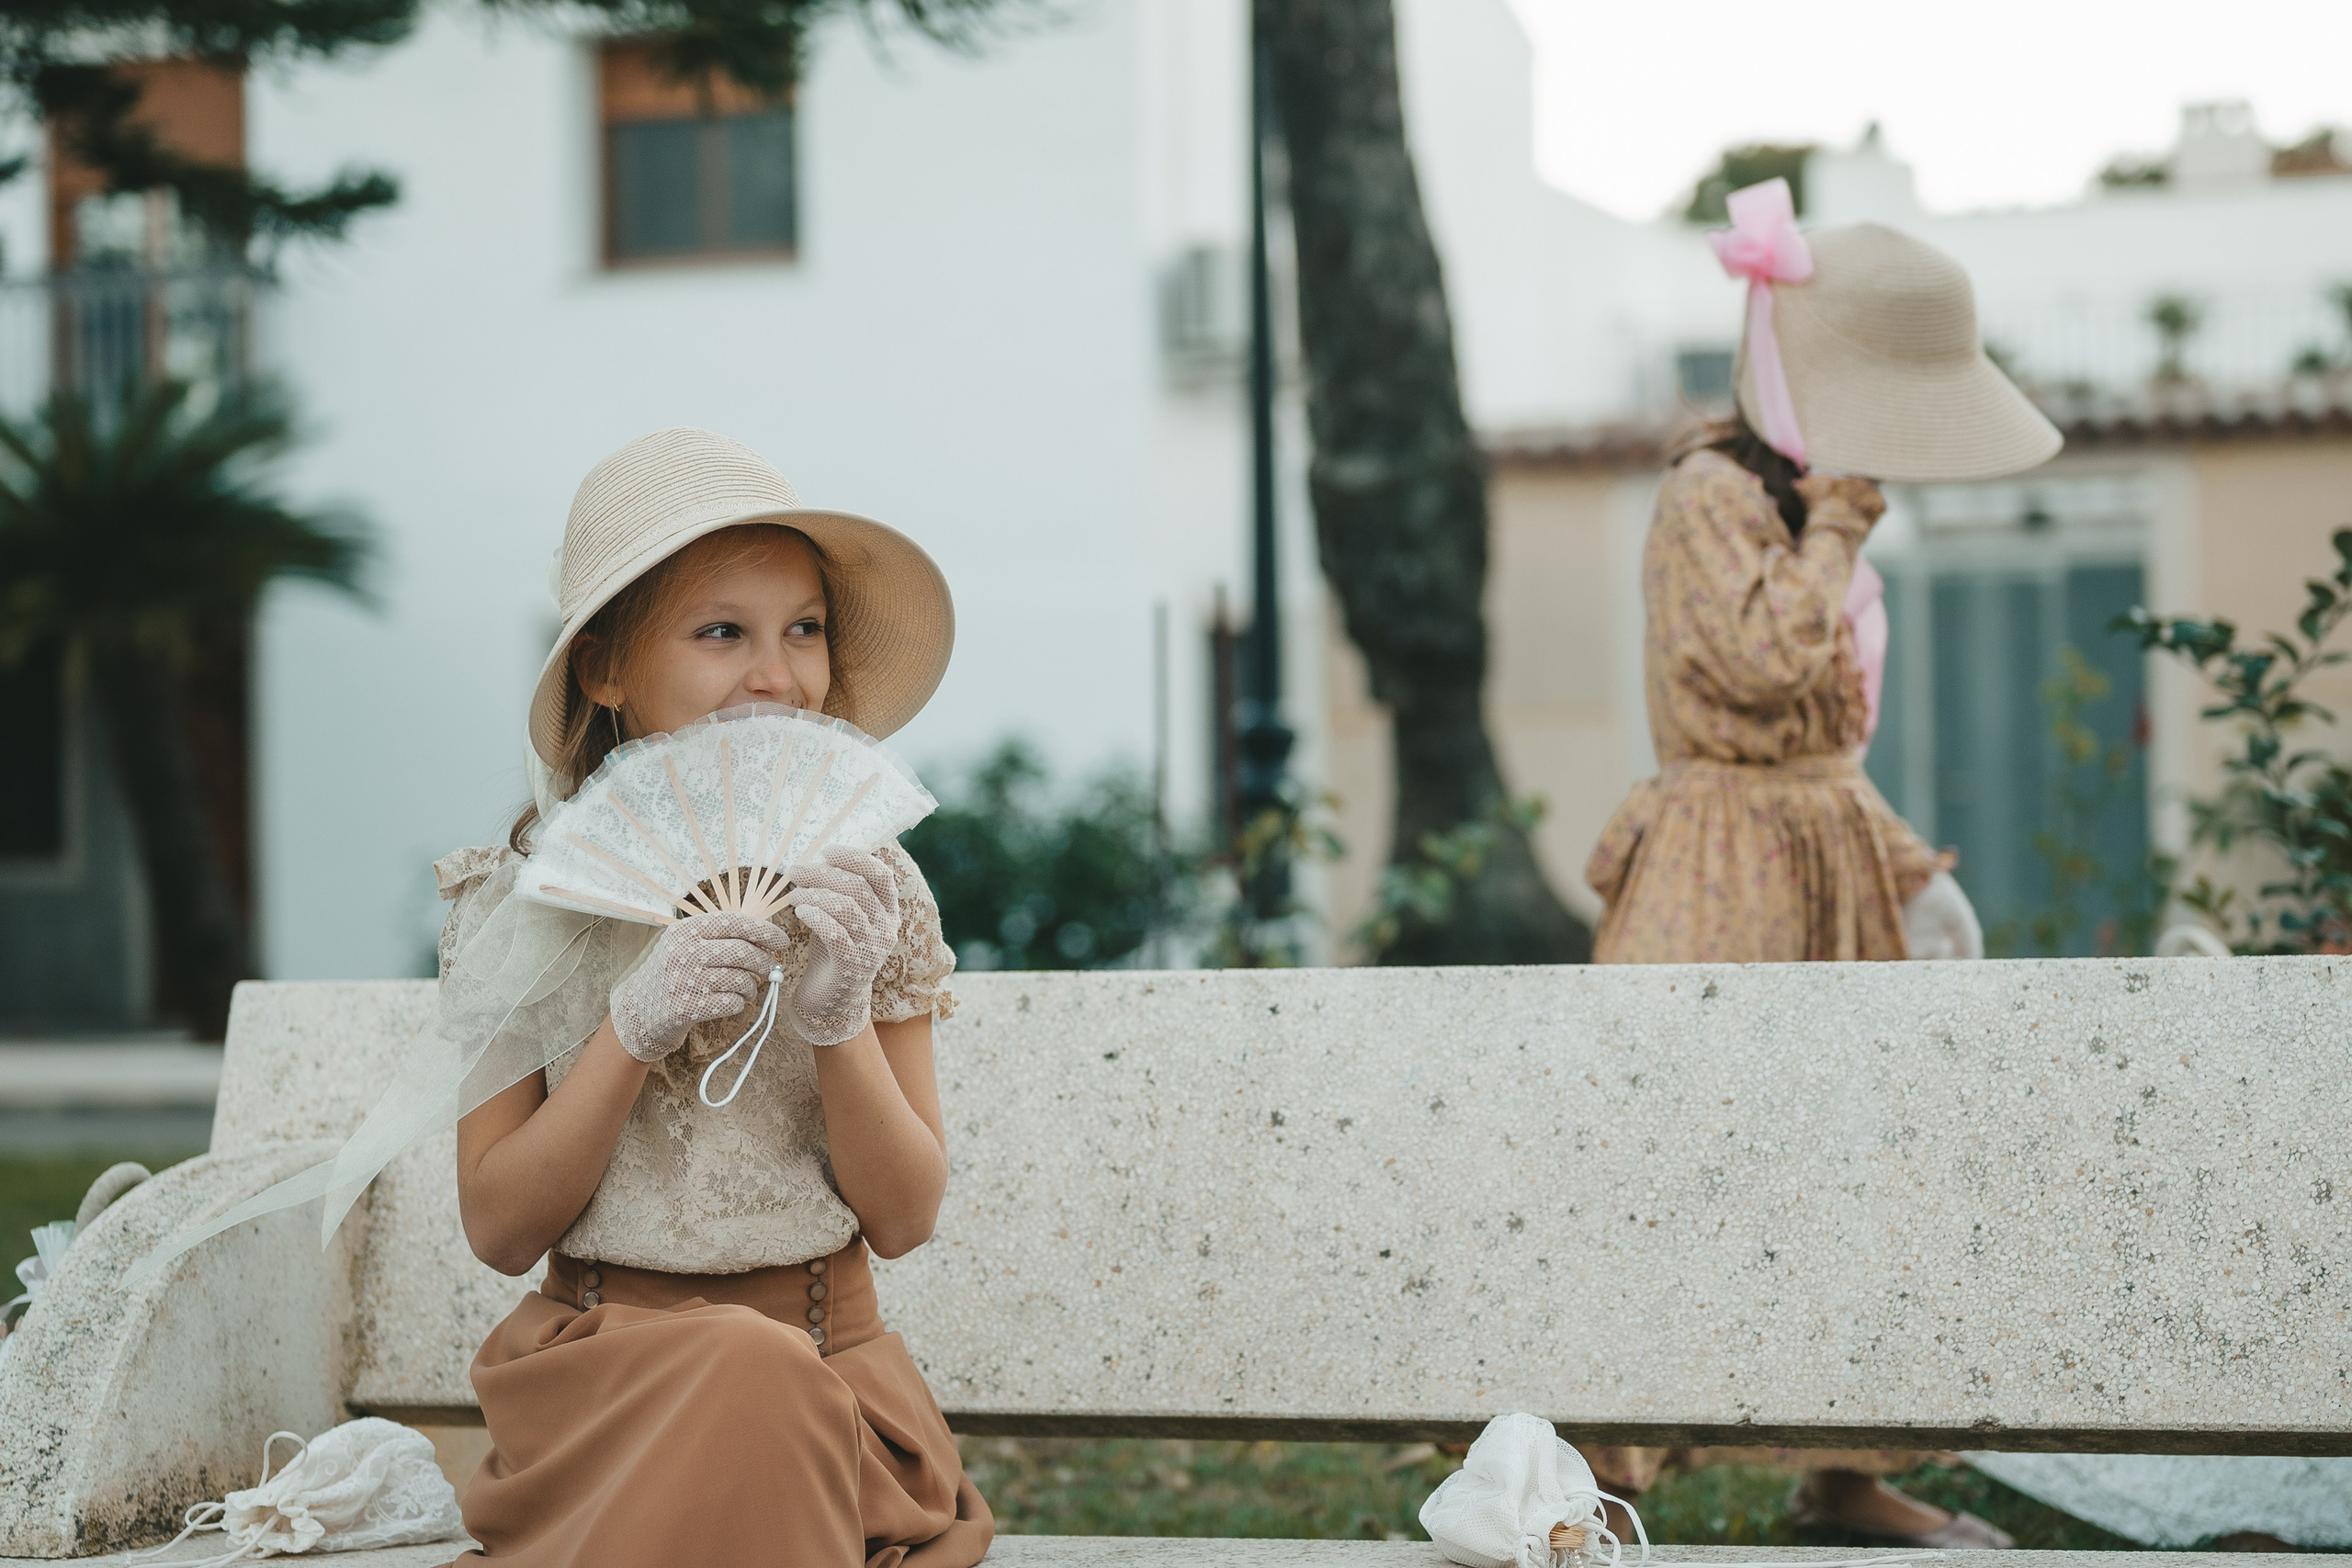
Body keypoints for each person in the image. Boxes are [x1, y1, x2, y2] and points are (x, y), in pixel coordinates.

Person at [1579, 183, 2062, 1546]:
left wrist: (1910, 871)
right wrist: (1839, 530)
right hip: (1717, 868)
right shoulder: (1709, 497)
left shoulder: (1803, 498)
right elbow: (1755, 670)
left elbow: (1827, 742)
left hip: (1828, 858)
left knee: (1866, 1161)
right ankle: (1598, 1473)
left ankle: (1844, 1473)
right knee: (1663, 1150)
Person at [438, 427, 991, 1567]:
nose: (775, 676)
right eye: (720, 632)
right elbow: (499, 1230)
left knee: (761, 1370)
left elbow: (904, 1217)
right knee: (737, 1371)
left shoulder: (872, 885)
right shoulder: (519, 906)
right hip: (592, 1396)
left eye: (803, 629)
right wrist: (627, 1034)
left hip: (833, 1388)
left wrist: (834, 1025)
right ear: (605, 668)